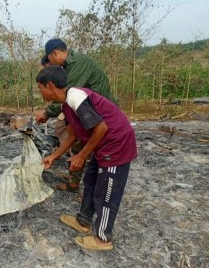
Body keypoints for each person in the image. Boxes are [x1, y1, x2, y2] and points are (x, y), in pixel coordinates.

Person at [36, 65, 137, 251]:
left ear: (49, 85)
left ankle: (103, 239)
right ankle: (83, 221)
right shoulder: (66, 105)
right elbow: (72, 134)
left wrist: (81, 155)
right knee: (90, 181)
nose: (39, 91)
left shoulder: (76, 96)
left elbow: (101, 128)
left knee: (106, 192)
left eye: (40, 87)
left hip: (116, 145)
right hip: (101, 146)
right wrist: (53, 156)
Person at [35, 38, 117, 193]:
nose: (50, 64)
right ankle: (76, 183)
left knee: (94, 151)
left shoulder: (77, 66)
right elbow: (72, 131)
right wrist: (53, 157)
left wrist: (47, 112)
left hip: (99, 115)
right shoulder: (70, 69)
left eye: (49, 60)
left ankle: (94, 189)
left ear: (54, 53)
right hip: (88, 113)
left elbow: (63, 93)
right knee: (74, 139)